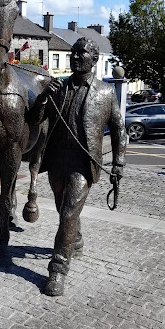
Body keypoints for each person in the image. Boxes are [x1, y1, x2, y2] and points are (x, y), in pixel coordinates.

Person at [36, 37, 126, 297]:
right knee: (64, 209)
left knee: (67, 214)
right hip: (56, 161)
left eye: (81, 53)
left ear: (94, 59)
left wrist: (118, 162)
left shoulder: (106, 93)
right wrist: (43, 97)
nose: (75, 57)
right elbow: (35, 119)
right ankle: (74, 239)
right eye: (73, 53)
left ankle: (57, 270)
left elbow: (120, 130)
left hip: (83, 164)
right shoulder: (59, 88)